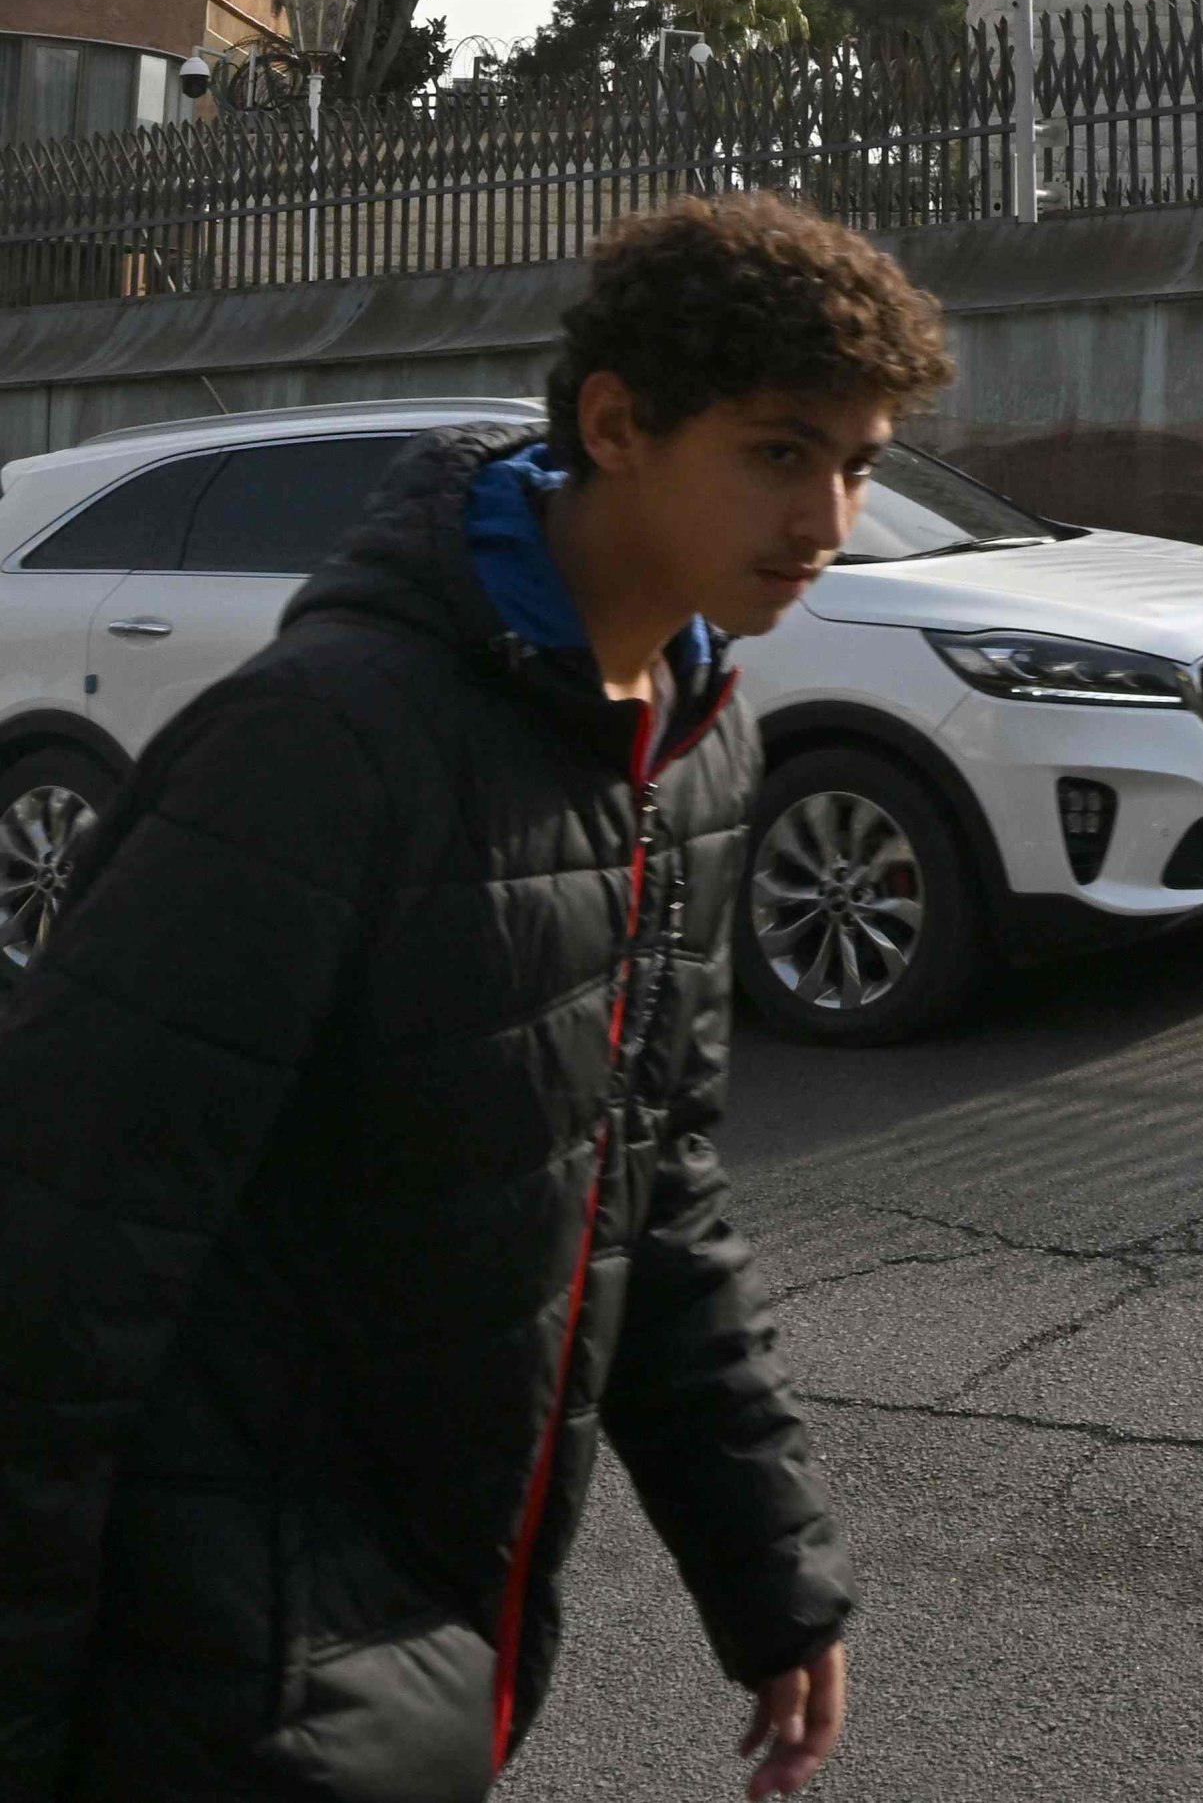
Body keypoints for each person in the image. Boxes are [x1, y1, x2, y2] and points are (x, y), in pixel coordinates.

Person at [0, 193, 953, 1801]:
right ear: (616, 423)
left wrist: (767, 1566)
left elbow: (654, 1194)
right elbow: (63, 1245)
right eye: (782, 453)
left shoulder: (698, 742)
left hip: (451, 1619)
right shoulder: (327, 741)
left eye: (857, 464)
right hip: (223, 1658)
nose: (831, 516)